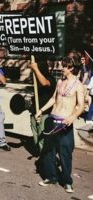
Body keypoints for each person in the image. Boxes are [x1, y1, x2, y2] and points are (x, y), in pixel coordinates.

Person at [36, 56, 84, 193]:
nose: (60, 68)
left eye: (63, 66)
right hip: (53, 119)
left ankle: (67, 181)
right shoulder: (59, 82)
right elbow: (53, 99)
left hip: (65, 123)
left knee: (65, 154)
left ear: (71, 68)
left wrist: (73, 116)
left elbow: (80, 105)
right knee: (48, 152)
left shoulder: (78, 85)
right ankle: (51, 177)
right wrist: (41, 110)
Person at [30, 58, 57, 155]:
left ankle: (44, 157)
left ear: (50, 68)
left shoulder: (51, 79)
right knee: (35, 135)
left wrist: (35, 68)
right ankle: (39, 152)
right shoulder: (37, 77)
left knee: (43, 138)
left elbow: (44, 83)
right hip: (35, 111)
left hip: (44, 114)